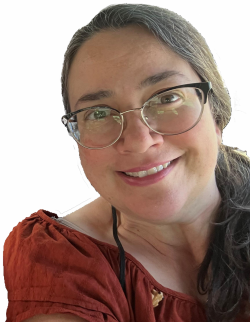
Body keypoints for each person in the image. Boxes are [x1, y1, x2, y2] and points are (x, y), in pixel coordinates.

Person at [3, 3, 250, 322]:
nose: (138, 140)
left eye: (167, 98)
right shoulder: (60, 260)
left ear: (216, 111)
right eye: (100, 113)